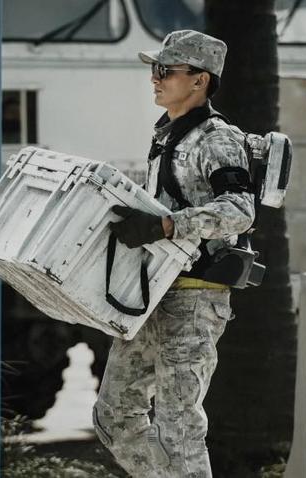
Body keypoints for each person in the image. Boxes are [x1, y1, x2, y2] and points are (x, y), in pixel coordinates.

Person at [92, 30, 255, 477]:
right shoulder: (167, 136)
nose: (155, 79)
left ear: (200, 80)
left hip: (195, 299)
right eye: (154, 69)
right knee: (114, 416)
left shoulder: (216, 139)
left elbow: (240, 210)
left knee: (178, 424)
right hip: (153, 293)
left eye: (166, 70)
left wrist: (168, 225)